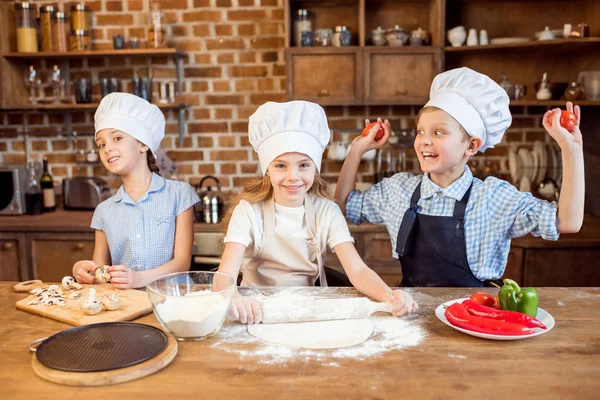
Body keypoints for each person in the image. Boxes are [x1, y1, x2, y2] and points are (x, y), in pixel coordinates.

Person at [335, 67, 585, 287]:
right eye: (420, 131)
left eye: (439, 132)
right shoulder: (398, 191)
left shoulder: (492, 198)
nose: (424, 140)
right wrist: (357, 149)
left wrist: (571, 149)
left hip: (476, 316)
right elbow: (344, 207)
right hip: (414, 312)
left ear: (472, 146)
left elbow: (568, 222)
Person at [218, 101, 418, 323]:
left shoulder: (326, 211)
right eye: (281, 166)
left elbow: (358, 270)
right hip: (253, 312)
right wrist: (232, 296)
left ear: (316, 168)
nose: (293, 176)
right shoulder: (248, 211)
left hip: (306, 311)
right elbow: (224, 276)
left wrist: (388, 295)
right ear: (267, 170)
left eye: (304, 165)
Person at [72, 93, 199, 289]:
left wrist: (138, 279)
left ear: (143, 144)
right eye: (101, 144)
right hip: (126, 305)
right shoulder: (104, 211)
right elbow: (101, 271)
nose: (107, 148)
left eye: (117, 138)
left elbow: (182, 263)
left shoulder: (179, 194)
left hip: (175, 304)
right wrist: (85, 272)